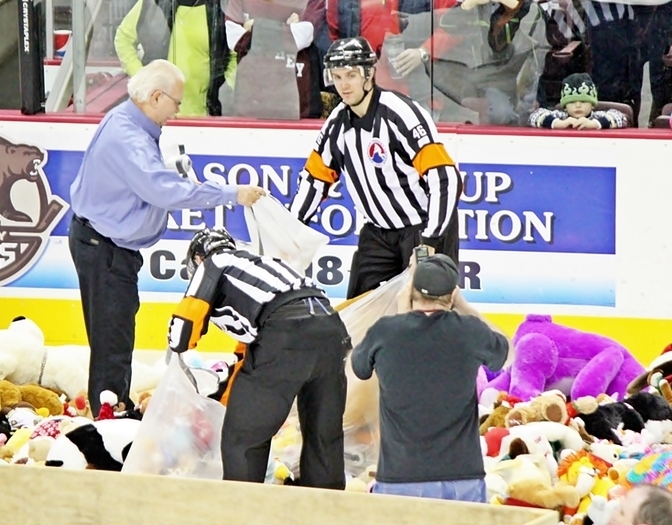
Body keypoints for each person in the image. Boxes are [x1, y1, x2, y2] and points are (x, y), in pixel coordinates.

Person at [68, 60, 266, 415]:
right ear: (156, 97)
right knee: (112, 338)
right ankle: (108, 414)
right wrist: (231, 193)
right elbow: (165, 192)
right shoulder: (129, 139)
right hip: (105, 247)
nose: (177, 110)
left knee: (113, 333)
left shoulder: (124, 120)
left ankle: (111, 402)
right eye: (176, 102)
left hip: (101, 241)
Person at [168, 227, 350, 489]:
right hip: (332, 333)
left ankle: (242, 514)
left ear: (197, 258)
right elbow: (249, 358)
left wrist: (176, 345)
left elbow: (183, 331)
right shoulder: (265, 264)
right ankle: (328, 513)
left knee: (243, 439)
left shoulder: (214, 262)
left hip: (287, 333)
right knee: (324, 437)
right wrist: (227, 397)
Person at [289, 36, 462, 300]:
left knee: (430, 308)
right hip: (378, 233)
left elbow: (444, 177)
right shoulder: (336, 125)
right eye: (337, 77)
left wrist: (431, 241)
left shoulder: (401, 114)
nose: (343, 85)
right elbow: (315, 179)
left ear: (369, 74)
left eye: (351, 75)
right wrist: (290, 230)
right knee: (358, 307)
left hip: (422, 228)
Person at [351, 254, 511, 502]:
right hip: (462, 478)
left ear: (411, 292)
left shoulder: (385, 332)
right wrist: (466, 307)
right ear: (452, 294)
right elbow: (505, 354)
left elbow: (359, 367)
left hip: (400, 478)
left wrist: (401, 312)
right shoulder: (470, 331)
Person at [113, 0, 235, 117]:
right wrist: (143, 78)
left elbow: (234, 53)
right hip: (157, 115)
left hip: (205, 117)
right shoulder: (153, 2)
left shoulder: (221, 6)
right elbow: (123, 38)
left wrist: (227, 90)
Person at [529, 73, 629, 129]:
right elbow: (534, 116)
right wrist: (558, 123)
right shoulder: (561, 116)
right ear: (564, 106)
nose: (578, 105)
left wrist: (595, 124)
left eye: (583, 102)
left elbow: (621, 118)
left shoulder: (598, 116)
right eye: (572, 102)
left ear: (592, 105)